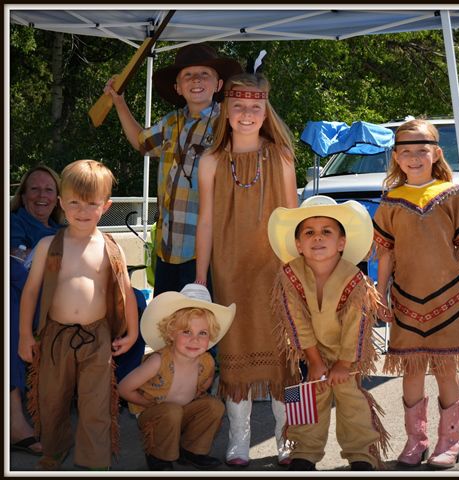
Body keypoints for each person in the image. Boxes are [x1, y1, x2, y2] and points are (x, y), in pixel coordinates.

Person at [195, 72, 299, 467]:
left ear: (265, 110)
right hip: (229, 268)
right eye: (238, 106)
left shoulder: (282, 156)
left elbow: (292, 218)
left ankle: (288, 433)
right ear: (226, 111)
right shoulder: (210, 160)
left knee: (286, 358)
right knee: (234, 354)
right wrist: (201, 277)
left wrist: (297, 272)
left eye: (255, 107)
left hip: (275, 268)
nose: (246, 114)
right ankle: (239, 437)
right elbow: (205, 222)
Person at [373, 119, 459, 469]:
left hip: (448, 298)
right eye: (405, 151)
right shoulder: (392, 200)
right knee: (411, 372)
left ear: (436, 153)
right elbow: (386, 253)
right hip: (407, 300)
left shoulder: (452, 195)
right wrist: (381, 293)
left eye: (421, 150)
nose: (413, 157)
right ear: (395, 157)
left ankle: (450, 440)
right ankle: (416, 440)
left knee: (445, 371)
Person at [18, 159, 139, 470]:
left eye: (91, 203)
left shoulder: (112, 248)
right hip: (55, 336)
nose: (82, 210)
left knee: (96, 403)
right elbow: (30, 292)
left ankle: (93, 463)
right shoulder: (48, 245)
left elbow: (126, 294)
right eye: (74, 202)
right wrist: (25, 336)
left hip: (97, 337)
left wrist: (133, 334)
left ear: (106, 205)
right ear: (61, 202)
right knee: (52, 401)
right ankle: (53, 453)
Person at [104, 43, 242, 296]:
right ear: (178, 87)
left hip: (207, 253)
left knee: (203, 327)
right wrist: (119, 102)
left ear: (218, 85)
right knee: (167, 325)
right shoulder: (170, 122)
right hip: (167, 248)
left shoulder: (230, 123)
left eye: (205, 74)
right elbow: (141, 142)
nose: (196, 80)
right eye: (188, 75)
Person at [267, 195, 390, 471]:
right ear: (298, 244)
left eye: (327, 232)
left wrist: (344, 363)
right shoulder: (289, 275)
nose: (317, 238)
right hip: (306, 350)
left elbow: (357, 324)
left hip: (347, 352)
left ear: (341, 243)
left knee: (352, 401)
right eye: (309, 232)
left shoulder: (355, 279)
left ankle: (362, 454)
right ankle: (303, 452)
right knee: (303, 396)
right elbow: (293, 318)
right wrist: (313, 360)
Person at [118, 283, 236, 471]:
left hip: (182, 411)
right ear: (171, 333)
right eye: (186, 332)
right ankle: (158, 455)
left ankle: (192, 450)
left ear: (210, 337)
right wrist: (147, 404)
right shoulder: (158, 361)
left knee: (214, 406)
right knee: (171, 411)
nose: (195, 339)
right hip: (156, 414)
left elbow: (205, 383)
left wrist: (197, 394)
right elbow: (124, 387)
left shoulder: (207, 362)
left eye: (202, 333)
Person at [10, 165, 64, 456]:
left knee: (132, 297)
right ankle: (15, 419)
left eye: (49, 189)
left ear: (58, 198)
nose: (41, 195)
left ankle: (126, 393)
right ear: (23, 194)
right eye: (34, 189)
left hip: (63, 303)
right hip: (26, 304)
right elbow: (15, 269)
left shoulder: (64, 230)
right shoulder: (13, 222)